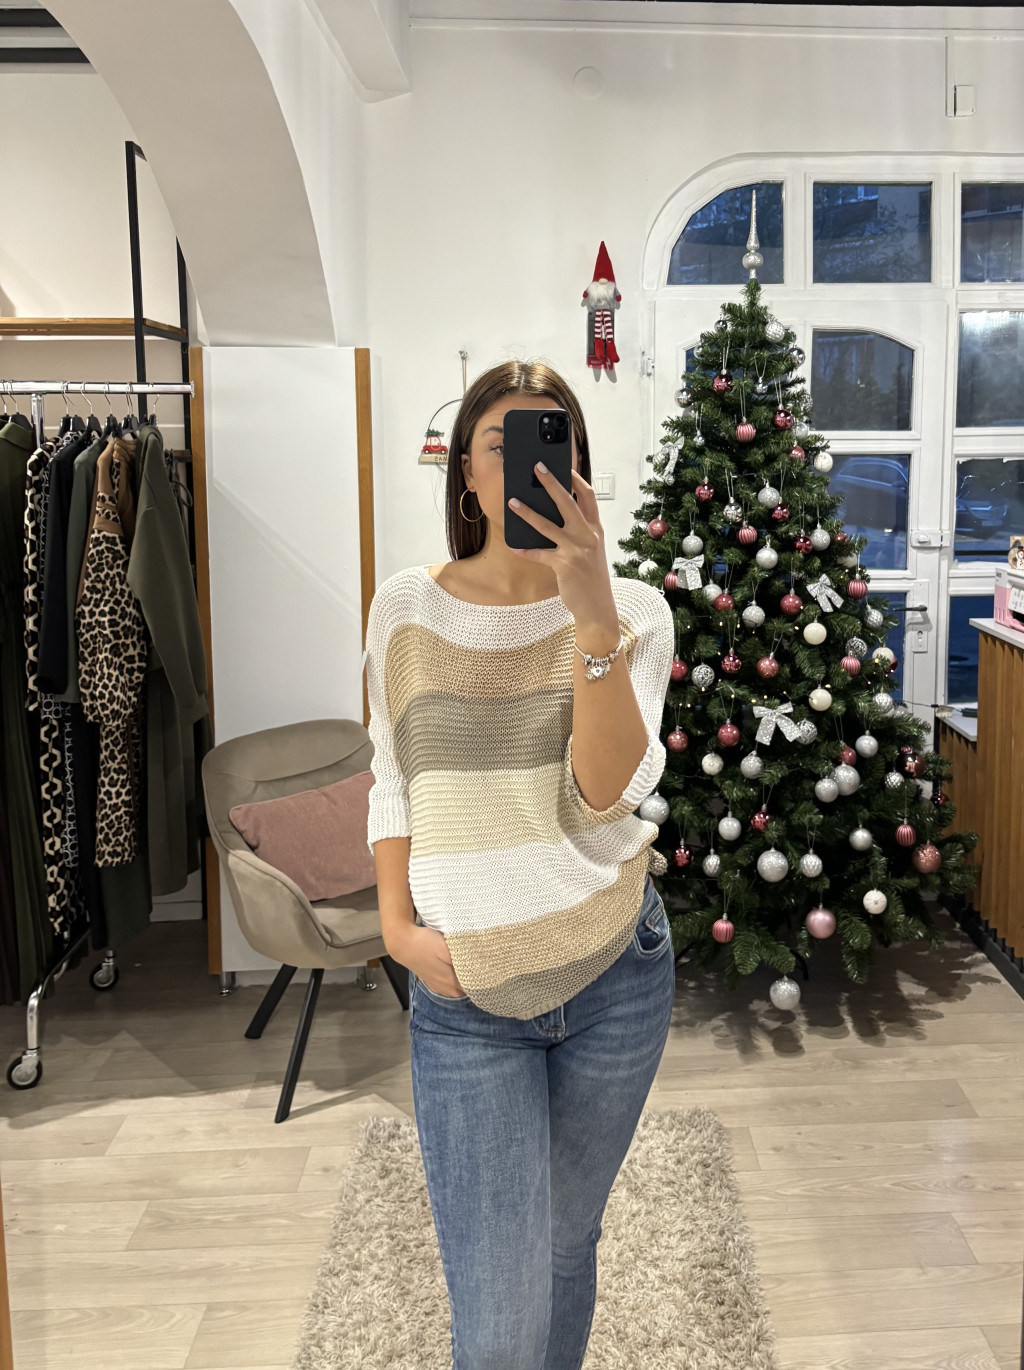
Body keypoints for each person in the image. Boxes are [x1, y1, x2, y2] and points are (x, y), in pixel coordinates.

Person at [365, 360, 676, 1370]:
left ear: (578, 467)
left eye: (551, 441)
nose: (525, 464)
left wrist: (592, 622)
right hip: (467, 992)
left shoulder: (633, 611)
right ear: (465, 470)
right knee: (498, 1314)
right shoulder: (405, 609)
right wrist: (396, 930)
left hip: (615, 971)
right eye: (500, 442)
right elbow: (392, 777)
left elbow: (605, 790)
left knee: (566, 1243)